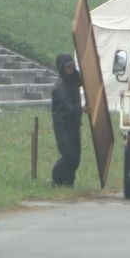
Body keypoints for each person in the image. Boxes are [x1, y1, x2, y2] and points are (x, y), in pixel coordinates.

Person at [51, 53, 83, 187]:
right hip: (62, 124)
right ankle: (56, 179)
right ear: (61, 68)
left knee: (76, 157)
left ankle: (69, 182)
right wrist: (83, 109)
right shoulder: (60, 85)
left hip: (74, 123)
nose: (70, 69)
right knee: (68, 154)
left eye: (72, 66)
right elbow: (68, 106)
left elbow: (87, 78)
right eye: (67, 67)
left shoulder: (74, 77)